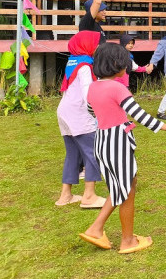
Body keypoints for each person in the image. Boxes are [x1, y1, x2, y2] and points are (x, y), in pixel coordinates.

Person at [79, 43, 166, 254]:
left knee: (122, 186)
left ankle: (97, 228)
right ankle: (126, 240)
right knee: (126, 190)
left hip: (102, 141)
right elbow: (142, 117)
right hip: (118, 141)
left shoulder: (92, 87)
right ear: (117, 64)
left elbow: (91, 110)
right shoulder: (118, 88)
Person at [55, 31, 106, 209]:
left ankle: (65, 195)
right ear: (87, 45)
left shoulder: (73, 61)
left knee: (73, 154)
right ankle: (89, 196)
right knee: (92, 152)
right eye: (96, 43)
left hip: (64, 111)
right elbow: (87, 93)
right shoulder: (85, 66)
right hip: (78, 113)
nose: (99, 46)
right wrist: (98, 111)